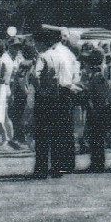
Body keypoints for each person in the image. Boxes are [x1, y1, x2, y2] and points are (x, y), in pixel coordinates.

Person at [33, 27, 81, 178]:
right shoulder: (65, 54)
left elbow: (35, 75)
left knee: (42, 134)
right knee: (60, 133)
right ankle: (60, 167)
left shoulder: (43, 56)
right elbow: (75, 73)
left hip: (47, 96)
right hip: (64, 93)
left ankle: (41, 169)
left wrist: (39, 89)